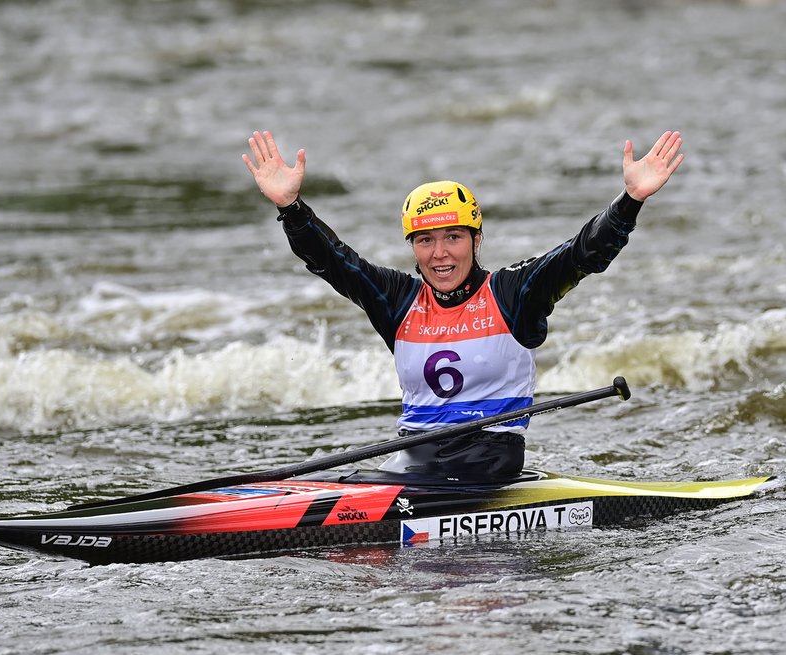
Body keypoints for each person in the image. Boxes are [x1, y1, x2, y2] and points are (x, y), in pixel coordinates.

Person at [243, 129, 684, 483]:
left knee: (364, 491)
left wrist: (630, 203)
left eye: (453, 238)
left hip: (487, 460)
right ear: (413, 248)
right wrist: (291, 209)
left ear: (476, 240)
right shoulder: (397, 300)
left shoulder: (513, 292)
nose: (440, 254)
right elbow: (332, 260)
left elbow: (581, 254)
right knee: (348, 485)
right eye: (425, 240)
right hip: (413, 460)